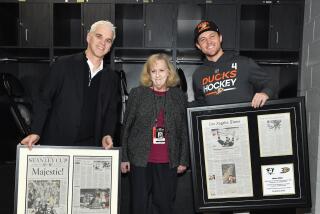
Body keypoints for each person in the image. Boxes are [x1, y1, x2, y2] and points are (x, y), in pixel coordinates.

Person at [21, 20, 119, 149]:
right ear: (88, 37)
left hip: (90, 148)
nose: (103, 43)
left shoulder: (112, 77)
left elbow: (111, 112)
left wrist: (107, 134)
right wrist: (36, 131)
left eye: (108, 40)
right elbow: (44, 99)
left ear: (111, 45)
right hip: (56, 143)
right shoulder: (63, 64)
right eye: (99, 36)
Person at [120, 53, 189, 214]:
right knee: (138, 206)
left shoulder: (178, 96)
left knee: (164, 206)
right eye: (153, 71)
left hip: (168, 161)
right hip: (140, 161)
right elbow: (126, 127)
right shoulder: (137, 93)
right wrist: (124, 157)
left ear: (169, 72)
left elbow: (183, 130)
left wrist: (183, 159)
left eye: (162, 70)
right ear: (148, 74)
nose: (158, 75)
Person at [193, 20, 274, 108]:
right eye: (203, 39)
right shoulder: (198, 75)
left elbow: (270, 83)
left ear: (220, 38)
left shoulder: (244, 63)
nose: (208, 42)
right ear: (198, 46)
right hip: (218, 122)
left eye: (212, 36)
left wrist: (265, 93)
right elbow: (200, 104)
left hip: (244, 120)